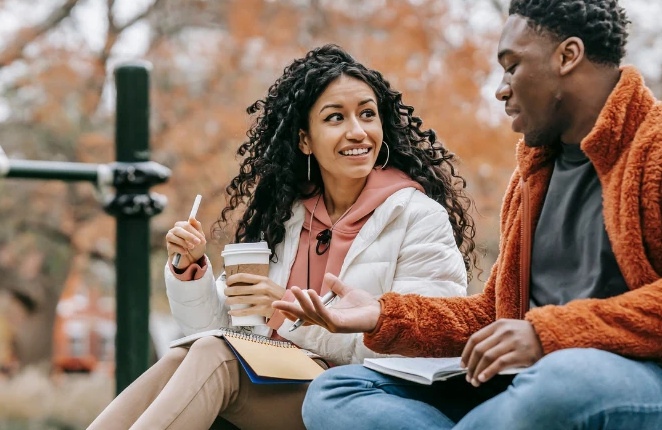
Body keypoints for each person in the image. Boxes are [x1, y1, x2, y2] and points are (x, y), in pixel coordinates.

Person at [275, 1, 662, 430]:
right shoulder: (534, 175)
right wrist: (383, 316)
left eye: (512, 65)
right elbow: (495, 316)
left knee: (566, 378)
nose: (501, 88)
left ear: (567, 55)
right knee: (337, 392)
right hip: (530, 389)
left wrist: (548, 335)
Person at [86, 44, 478, 430]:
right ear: (305, 140)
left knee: (215, 358)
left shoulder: (417, 217)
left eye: (367, 114)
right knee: (188, 353)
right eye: (335, 118)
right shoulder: (285, 215)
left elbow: (421, 345)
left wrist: (291, 311)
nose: (357, 131)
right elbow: (221, 329)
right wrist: (190, 269)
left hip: (357, 396)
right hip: (275, 378)